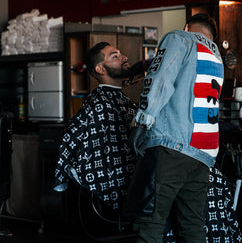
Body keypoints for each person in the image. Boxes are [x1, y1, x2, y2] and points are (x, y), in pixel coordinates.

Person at [126, 13, 224, 243]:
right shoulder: (217, 57)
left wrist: (142, 121)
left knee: (150, 223)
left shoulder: (180, 38)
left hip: (173, 146)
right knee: (192, 227)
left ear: (187, 26)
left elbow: (160, 79)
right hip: (204, 152)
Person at [54, 42, 146, 211]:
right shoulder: (97, 104)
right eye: (115, 56)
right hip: (114, 182)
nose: (124, 58)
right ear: (101, 69)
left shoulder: (121, 99)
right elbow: (70, 137)